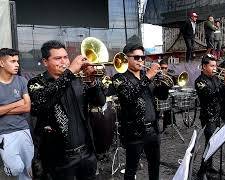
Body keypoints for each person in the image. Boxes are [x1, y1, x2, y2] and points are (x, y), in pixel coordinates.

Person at [27, 40, 106, 180]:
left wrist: (92, 81)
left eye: (65, 57)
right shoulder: (37, 83)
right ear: (45, 62)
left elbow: (100, 102)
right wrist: (69, 73)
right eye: (58, 58)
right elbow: (41, 104)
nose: (64, 61)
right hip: (59, 158)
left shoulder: (78, 80)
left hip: (86, 152)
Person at [112, 42, 161, 180]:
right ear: (126, 58)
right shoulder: (119, 78)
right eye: (137, 57)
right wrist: (148, 77)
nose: (141, 60)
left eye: (142, 57)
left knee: (154, 165)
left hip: (153, 129)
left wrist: (162, 83)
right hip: (134, 132)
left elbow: (162, 96)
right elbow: (129, 97)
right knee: (131, 169)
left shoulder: (147, 76)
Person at [195, 54, 225, 180]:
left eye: (215, 66)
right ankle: (201, 172)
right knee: (209, 145)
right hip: (208, 117)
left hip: (217, 115)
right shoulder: (200, 81)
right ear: (204, 66)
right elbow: (210, 95)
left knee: (214, 144)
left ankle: (209, 166)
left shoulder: (215, 78)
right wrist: (224, 84)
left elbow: (221, 95)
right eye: (212, 66)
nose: (215, 68)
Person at [0, 48, 34, 180]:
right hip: (4, 133)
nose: (17, 65)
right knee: (16, 168)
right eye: (13, 61)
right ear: (2, 63)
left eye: (18, 61)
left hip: (23, 129)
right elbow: (22, 104)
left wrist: (3, 109)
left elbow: (27, 107)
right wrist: (17, 103)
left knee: (29, 170)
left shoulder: (21, 81)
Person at [153, 60, 176, 132]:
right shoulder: (154, 76)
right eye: (162, 68)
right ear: (159, 68)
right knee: (155, 116)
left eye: (166, 68)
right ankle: (155, 129)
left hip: (165, 96)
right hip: (156, 98)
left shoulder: (168, 77)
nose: (164, 70)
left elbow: (172, 86)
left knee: (168, 113)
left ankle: (166, 128)